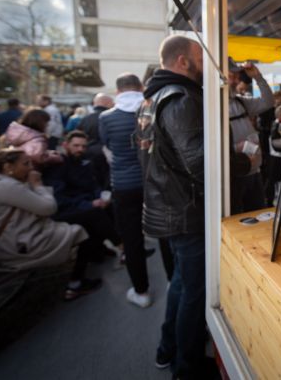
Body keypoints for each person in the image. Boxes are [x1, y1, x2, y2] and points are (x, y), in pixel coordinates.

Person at [137, 36, 212, 378]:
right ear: (183, 61)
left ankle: (167, 350)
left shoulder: (151, 98)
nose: (204, 63)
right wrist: (243, 161)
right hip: (185, 212)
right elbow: (199, 163)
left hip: (169, 209)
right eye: (200, 56)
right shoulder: (180, 98)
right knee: (194, 293)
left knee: (181, 284)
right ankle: (188, 367)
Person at [0, 149, 100, 300]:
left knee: (81, 220)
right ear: (8, 167)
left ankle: (102, 256)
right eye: (26, 164)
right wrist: (38, 184)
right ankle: (75, 285)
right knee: (79, 231)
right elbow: (47, 208)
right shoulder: (5, 186)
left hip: (11, 241)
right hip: (16, 248)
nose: (31, 168)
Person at [100, 73, 153, 308]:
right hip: (153, 181)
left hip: (124, 185)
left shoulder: (106, 117)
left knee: (132, 239)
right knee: (165, 233)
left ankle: (141, 292)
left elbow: (108, 146)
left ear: (117, 90)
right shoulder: (151, 110)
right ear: (140, 87)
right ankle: (174, 281)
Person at [42, 131, 121, 259]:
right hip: (65, 208)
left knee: (109, 207)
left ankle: (99, 249)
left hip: (81, 201)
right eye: (76, 146)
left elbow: (92, 184)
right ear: (66, 145)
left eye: (83, 146)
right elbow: (59, 198)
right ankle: (122, 246)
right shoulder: (57, 167)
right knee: (96, 213)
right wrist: (88, 203)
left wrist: (99, 196)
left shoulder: (81, 162)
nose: (80, 149)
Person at [227, 57, 274, 214]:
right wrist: (234, 148)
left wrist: (258, 77)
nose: (236, 80)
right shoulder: (211, 106)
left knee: (259, 217)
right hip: (235, 177)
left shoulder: (240, 102)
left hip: (254, 173)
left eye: (236, 76)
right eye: (231, 76)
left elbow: (268, 101)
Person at [78, 93, 114, 189]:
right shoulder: (112, 118)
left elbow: (79, 135)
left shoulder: (86, 119)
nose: (114, 104)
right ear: (107, 103)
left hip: (89, 154)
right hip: (108, 156)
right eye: (112, 102)